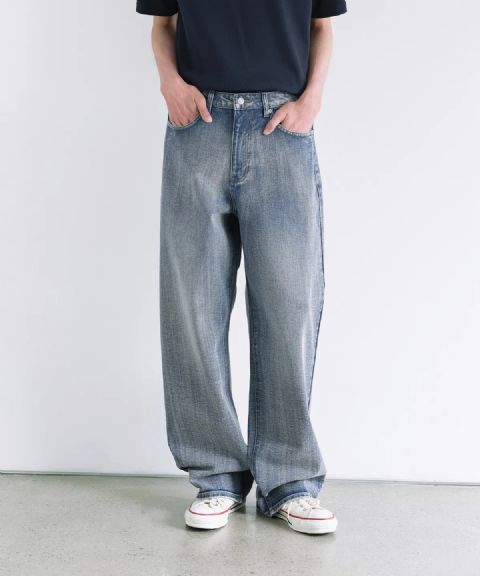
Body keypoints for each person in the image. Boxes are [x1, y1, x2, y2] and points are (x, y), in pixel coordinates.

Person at [136, 0, 347, 535]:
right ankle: (216, 476)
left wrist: (311, 101)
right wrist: (170, 85)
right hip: (198, 125)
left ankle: (290, 481)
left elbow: (321, 27)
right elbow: (163, 25)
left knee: (290, 306)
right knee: (193, 306)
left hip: (283, 127)